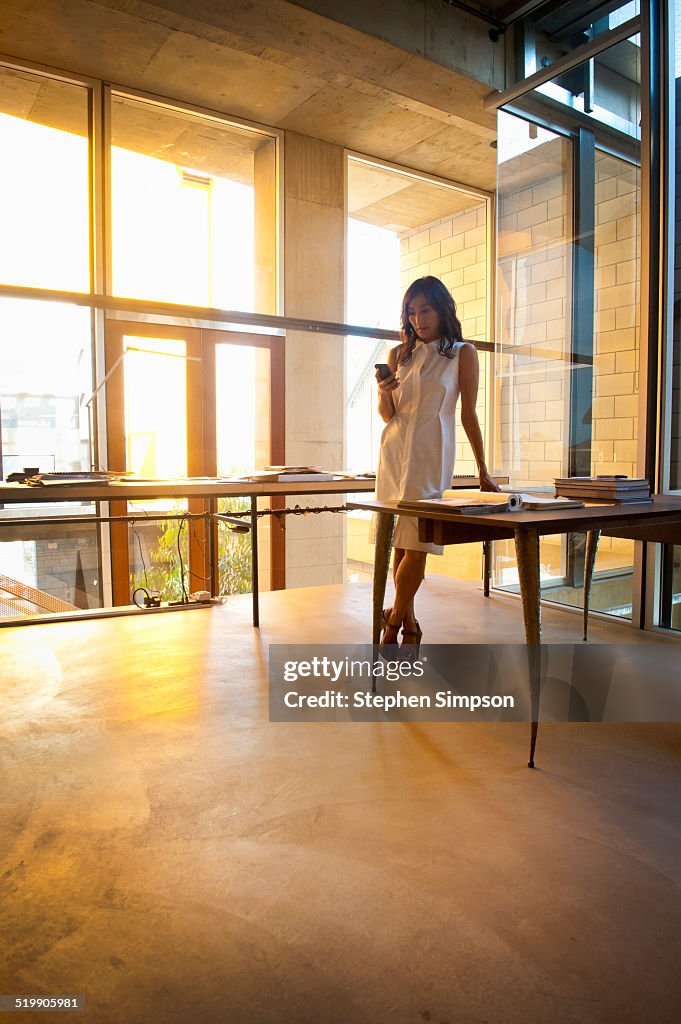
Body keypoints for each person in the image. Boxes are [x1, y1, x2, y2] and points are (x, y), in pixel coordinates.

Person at [375, 275, 499, 649]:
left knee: (419, 542)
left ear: (442, 309)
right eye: (411, 313)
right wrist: (383, 392)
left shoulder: (463, 353)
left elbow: (469, 415)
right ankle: (409, 624)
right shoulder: (400, 354)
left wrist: (482, 469)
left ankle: (392, 622)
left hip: (433, 450)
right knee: (401, 541)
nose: (417, 320)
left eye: (424, 310)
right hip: (394, 450)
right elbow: (389, 415)